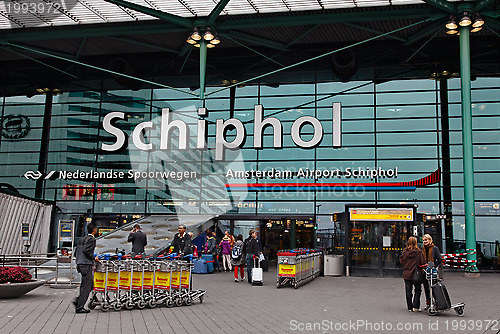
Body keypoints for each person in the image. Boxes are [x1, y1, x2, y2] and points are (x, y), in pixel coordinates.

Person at [74, 223, 100, 314]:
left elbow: (76, 253)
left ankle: (78, 300)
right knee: (87, 286)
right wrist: (93, 258)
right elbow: (87, 251)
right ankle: (80, 307)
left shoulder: (82, 239)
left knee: (88, 285)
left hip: (80, 264)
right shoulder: (91, 239)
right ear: (94, 230)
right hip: (86, 264)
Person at [399, 236, 426, 312]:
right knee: (418, 290)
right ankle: (416, 306)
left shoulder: (405, 252)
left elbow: (401, 261)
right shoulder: (419, 252)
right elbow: (422, 262)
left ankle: (409, 307)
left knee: (408, 290)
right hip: (416, 274)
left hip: (407, 273)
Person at [422, 234, 443, 310]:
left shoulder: (434, 248)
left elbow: (440, 259)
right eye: (424, 240)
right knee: (426, 288)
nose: (425, 242)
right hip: (425, 271)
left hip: (432, 272)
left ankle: (437, 303)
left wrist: (434, 266)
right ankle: (428, 303)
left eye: (426, 240)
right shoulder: (423, 249)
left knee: (434, 288)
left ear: (430, 240)